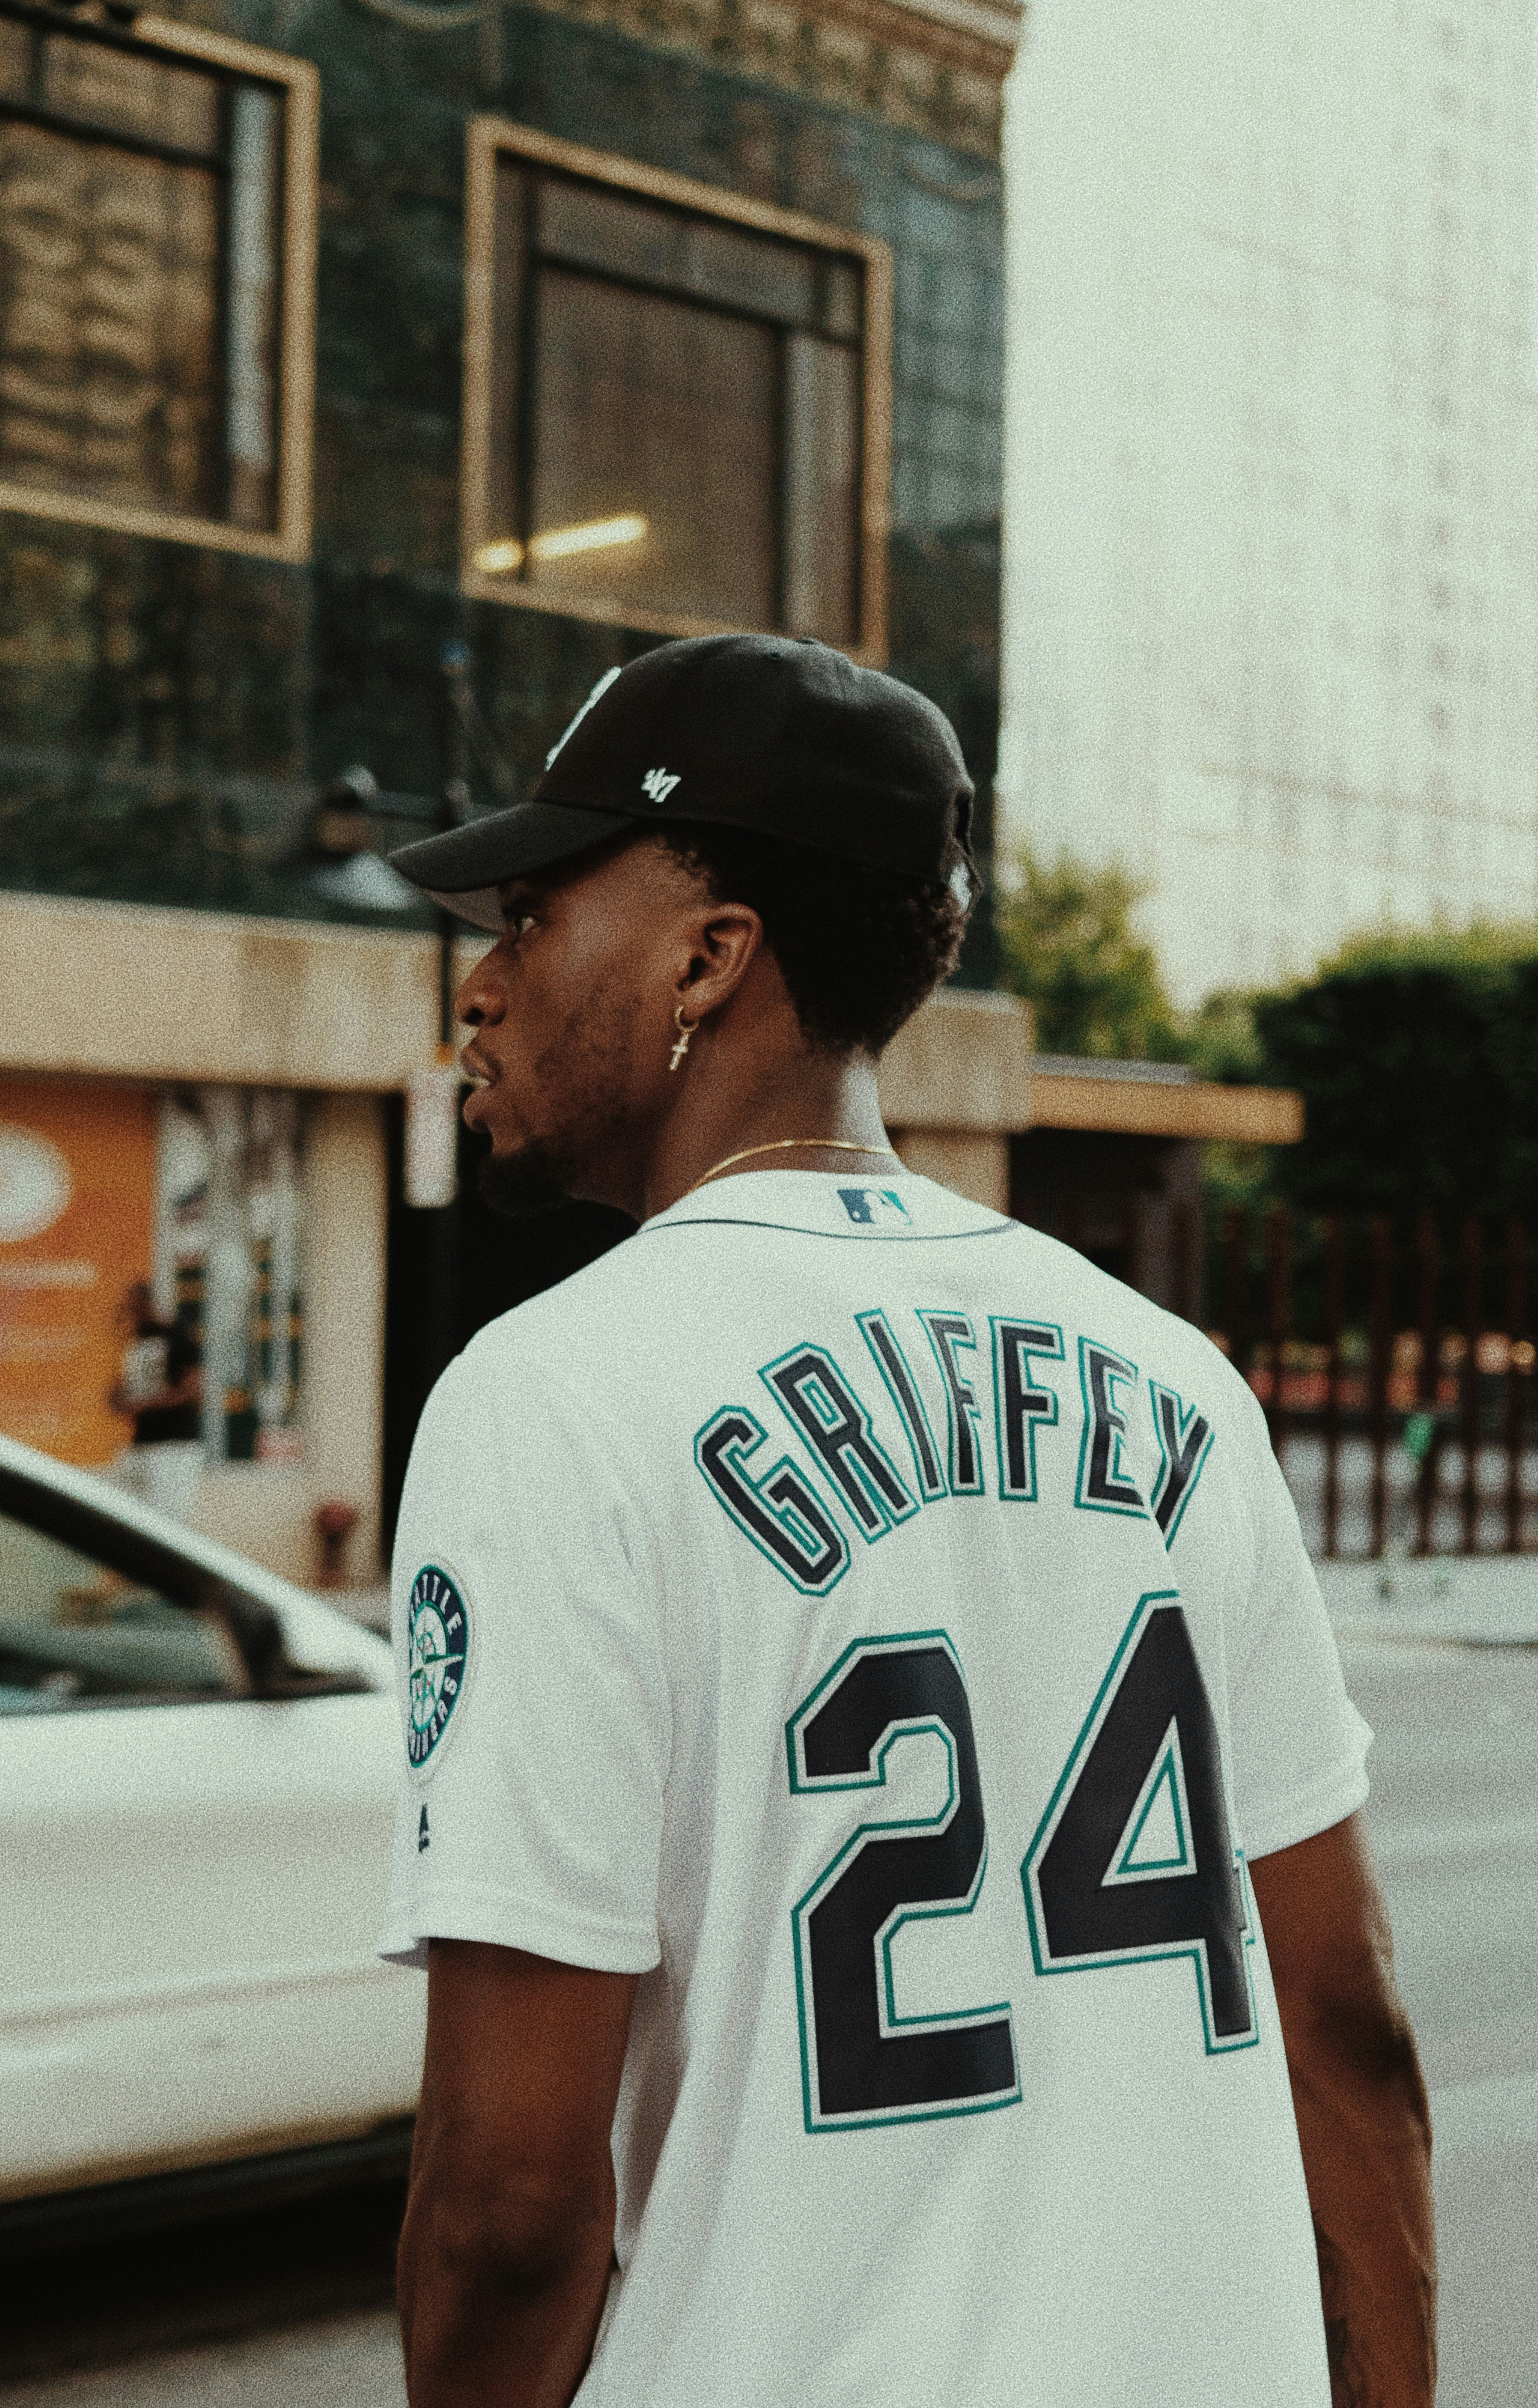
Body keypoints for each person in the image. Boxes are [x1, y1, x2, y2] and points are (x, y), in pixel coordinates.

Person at [379, 635, 1434, 2408]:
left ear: (709, 956)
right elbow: (1346, 2037)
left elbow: (507, 2208)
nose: (481, 987)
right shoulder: (1175, 1383)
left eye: (534, 916)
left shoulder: (552, 1396)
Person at [109, 1281, 205, 1525]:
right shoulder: (136, 1342)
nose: (130, 1314)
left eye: (134, 1308)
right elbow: (129, 1388)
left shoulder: (177, 1336)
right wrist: (120, 1398)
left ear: (147, 1304)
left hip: (174, 1446)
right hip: (142, 1443)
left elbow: (193, 1391)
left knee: (168, 1522)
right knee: (130, 1520)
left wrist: (144, 1405)